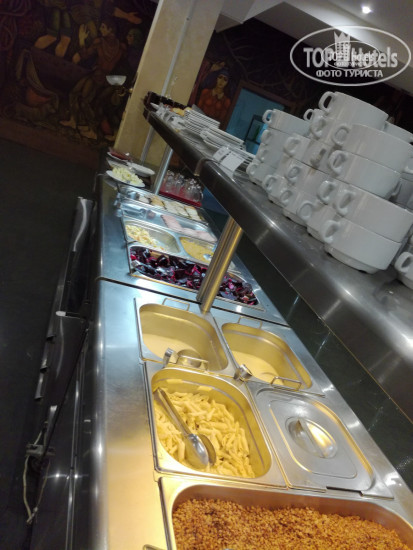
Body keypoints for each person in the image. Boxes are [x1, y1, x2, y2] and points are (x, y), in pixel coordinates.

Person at [59, 17, 125, 139]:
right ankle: (74, 121)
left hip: (97, 76)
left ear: (110, 30)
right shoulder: (120, 47)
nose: (100, 29)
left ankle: (92, 130)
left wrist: (81, 40)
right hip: (105, 78)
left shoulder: (99, 42)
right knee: (77, 95)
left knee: (83, 99)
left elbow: (84, 54)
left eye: (103, 27)